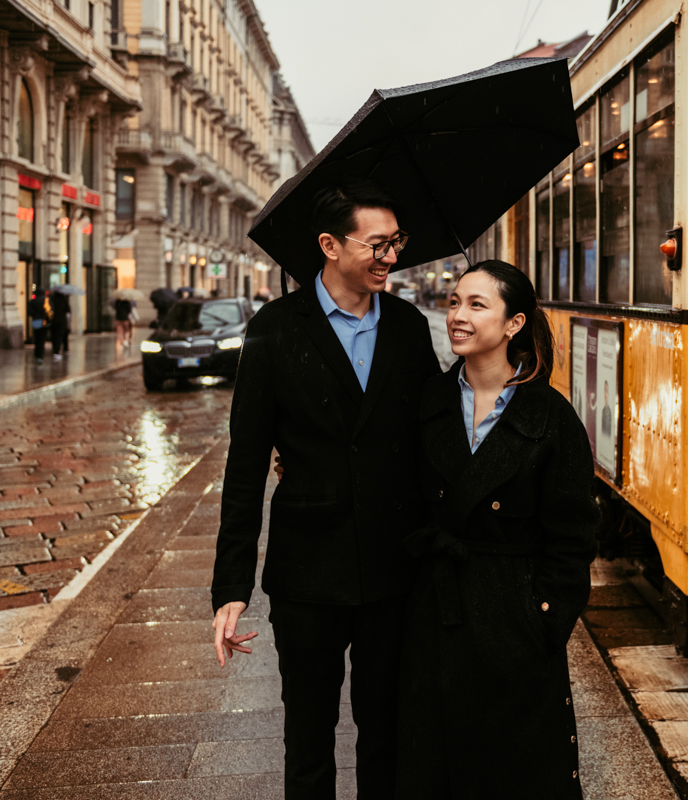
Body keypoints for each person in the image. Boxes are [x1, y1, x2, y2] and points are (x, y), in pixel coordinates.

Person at [211, 178, 440, 800]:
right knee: (307, 735)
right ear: (329, 245)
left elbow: (433, 439)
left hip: (394, 569)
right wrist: (231, 587)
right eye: (377, 245)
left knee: (386, 729)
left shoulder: (408, 325)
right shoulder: (276, 327)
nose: (391, 257)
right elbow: (247, 459)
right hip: (307, 573)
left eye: (396, 243)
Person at [396, 260, 600, 799]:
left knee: (518, 775)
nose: (458, 315)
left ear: (514, 324)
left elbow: (574, 537)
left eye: (476, 305)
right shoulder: (427, 404)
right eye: (456, 302)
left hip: (514, 623)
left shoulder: (552, 418)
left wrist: (542, 619)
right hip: (433, 617)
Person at [27, 290, 50, 363]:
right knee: (42, 339)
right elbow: (50, 310)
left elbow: (29, 312)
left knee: (36, 338)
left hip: (35, 322)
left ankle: (36, 353)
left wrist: (35, 315)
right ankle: (40, 355)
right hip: (43, 322)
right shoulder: (46, 301)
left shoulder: (32, 301)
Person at [50, 292, 71, 361]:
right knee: (59, 336)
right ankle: (57, 352)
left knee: (54, 336)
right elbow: (68, 311)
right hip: (61, 321)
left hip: (52, 321)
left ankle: (55, 350)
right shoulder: (64, 300)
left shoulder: (52, 300)